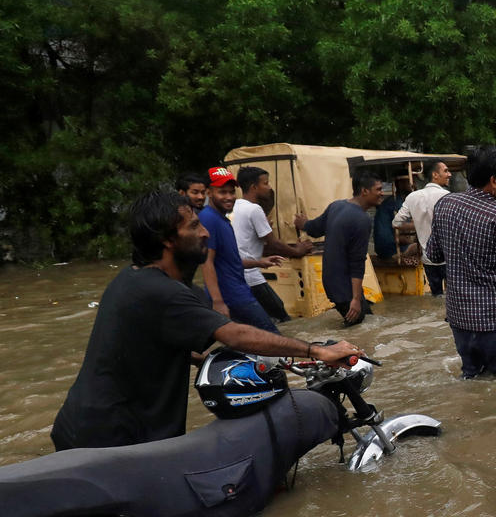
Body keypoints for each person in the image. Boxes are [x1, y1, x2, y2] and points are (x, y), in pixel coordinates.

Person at [51, 189, 363, 451]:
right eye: (194, 227)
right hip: (111, 440)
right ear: (168, 240)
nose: (205, 233)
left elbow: (156, 348)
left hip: (85, 429)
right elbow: (235, 334)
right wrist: (316, 351)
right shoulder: (163, 293)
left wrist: (263, 362)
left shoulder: (131, 279)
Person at [424, 146, 496, 378]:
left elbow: (434, 255)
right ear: (493, 181)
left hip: (459, 319)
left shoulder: (445, 205)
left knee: (472, 377)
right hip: (495, 321)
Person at [198, 167, 283, 332]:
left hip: (237, 292)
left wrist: (260, 263)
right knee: (273, 338)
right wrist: (217, 302)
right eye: (222, 192)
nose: (229, 197)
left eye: (231, 192)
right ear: (209, 192)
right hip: (233, 296)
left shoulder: (221, 218)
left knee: (249, 344)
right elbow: (207, 262)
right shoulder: (208, 219)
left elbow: (229, 261)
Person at [295, 175, 383, 326]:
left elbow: (315, 229)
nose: (382, 193)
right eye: (378, 189)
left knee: (366, 323)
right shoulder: (362, 220)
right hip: (345, 289)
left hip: (332, 283)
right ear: (364, 191)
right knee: (361, 328)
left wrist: (302, 223)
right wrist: (355, 299)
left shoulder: (336, 206)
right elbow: (357, 263)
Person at [232, 166, 313, 324]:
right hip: (251, 275)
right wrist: (298, 251)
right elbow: (274, 244)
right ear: (254, 187)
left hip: (237, 272)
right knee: (281, 315)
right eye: (266, 183)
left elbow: (254, 243)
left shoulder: (235, 207)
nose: (269, 187)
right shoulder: (254, 209)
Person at [393, 158, 453, 296]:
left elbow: (396, 223)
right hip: (448, 257)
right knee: (453, 297)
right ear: (435, 175)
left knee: (436, 296)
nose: (449, 174)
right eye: (446, 171)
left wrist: (416, 224)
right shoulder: (447, 197)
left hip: (428, 258)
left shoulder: (413, 197)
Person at [373, 177, 410, 259]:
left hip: (384, 247)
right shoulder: (396, 203)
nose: (413, 184)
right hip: (390, 249)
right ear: (400, 184)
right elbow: (402, 230)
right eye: (410, 181)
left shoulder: (396, 201)